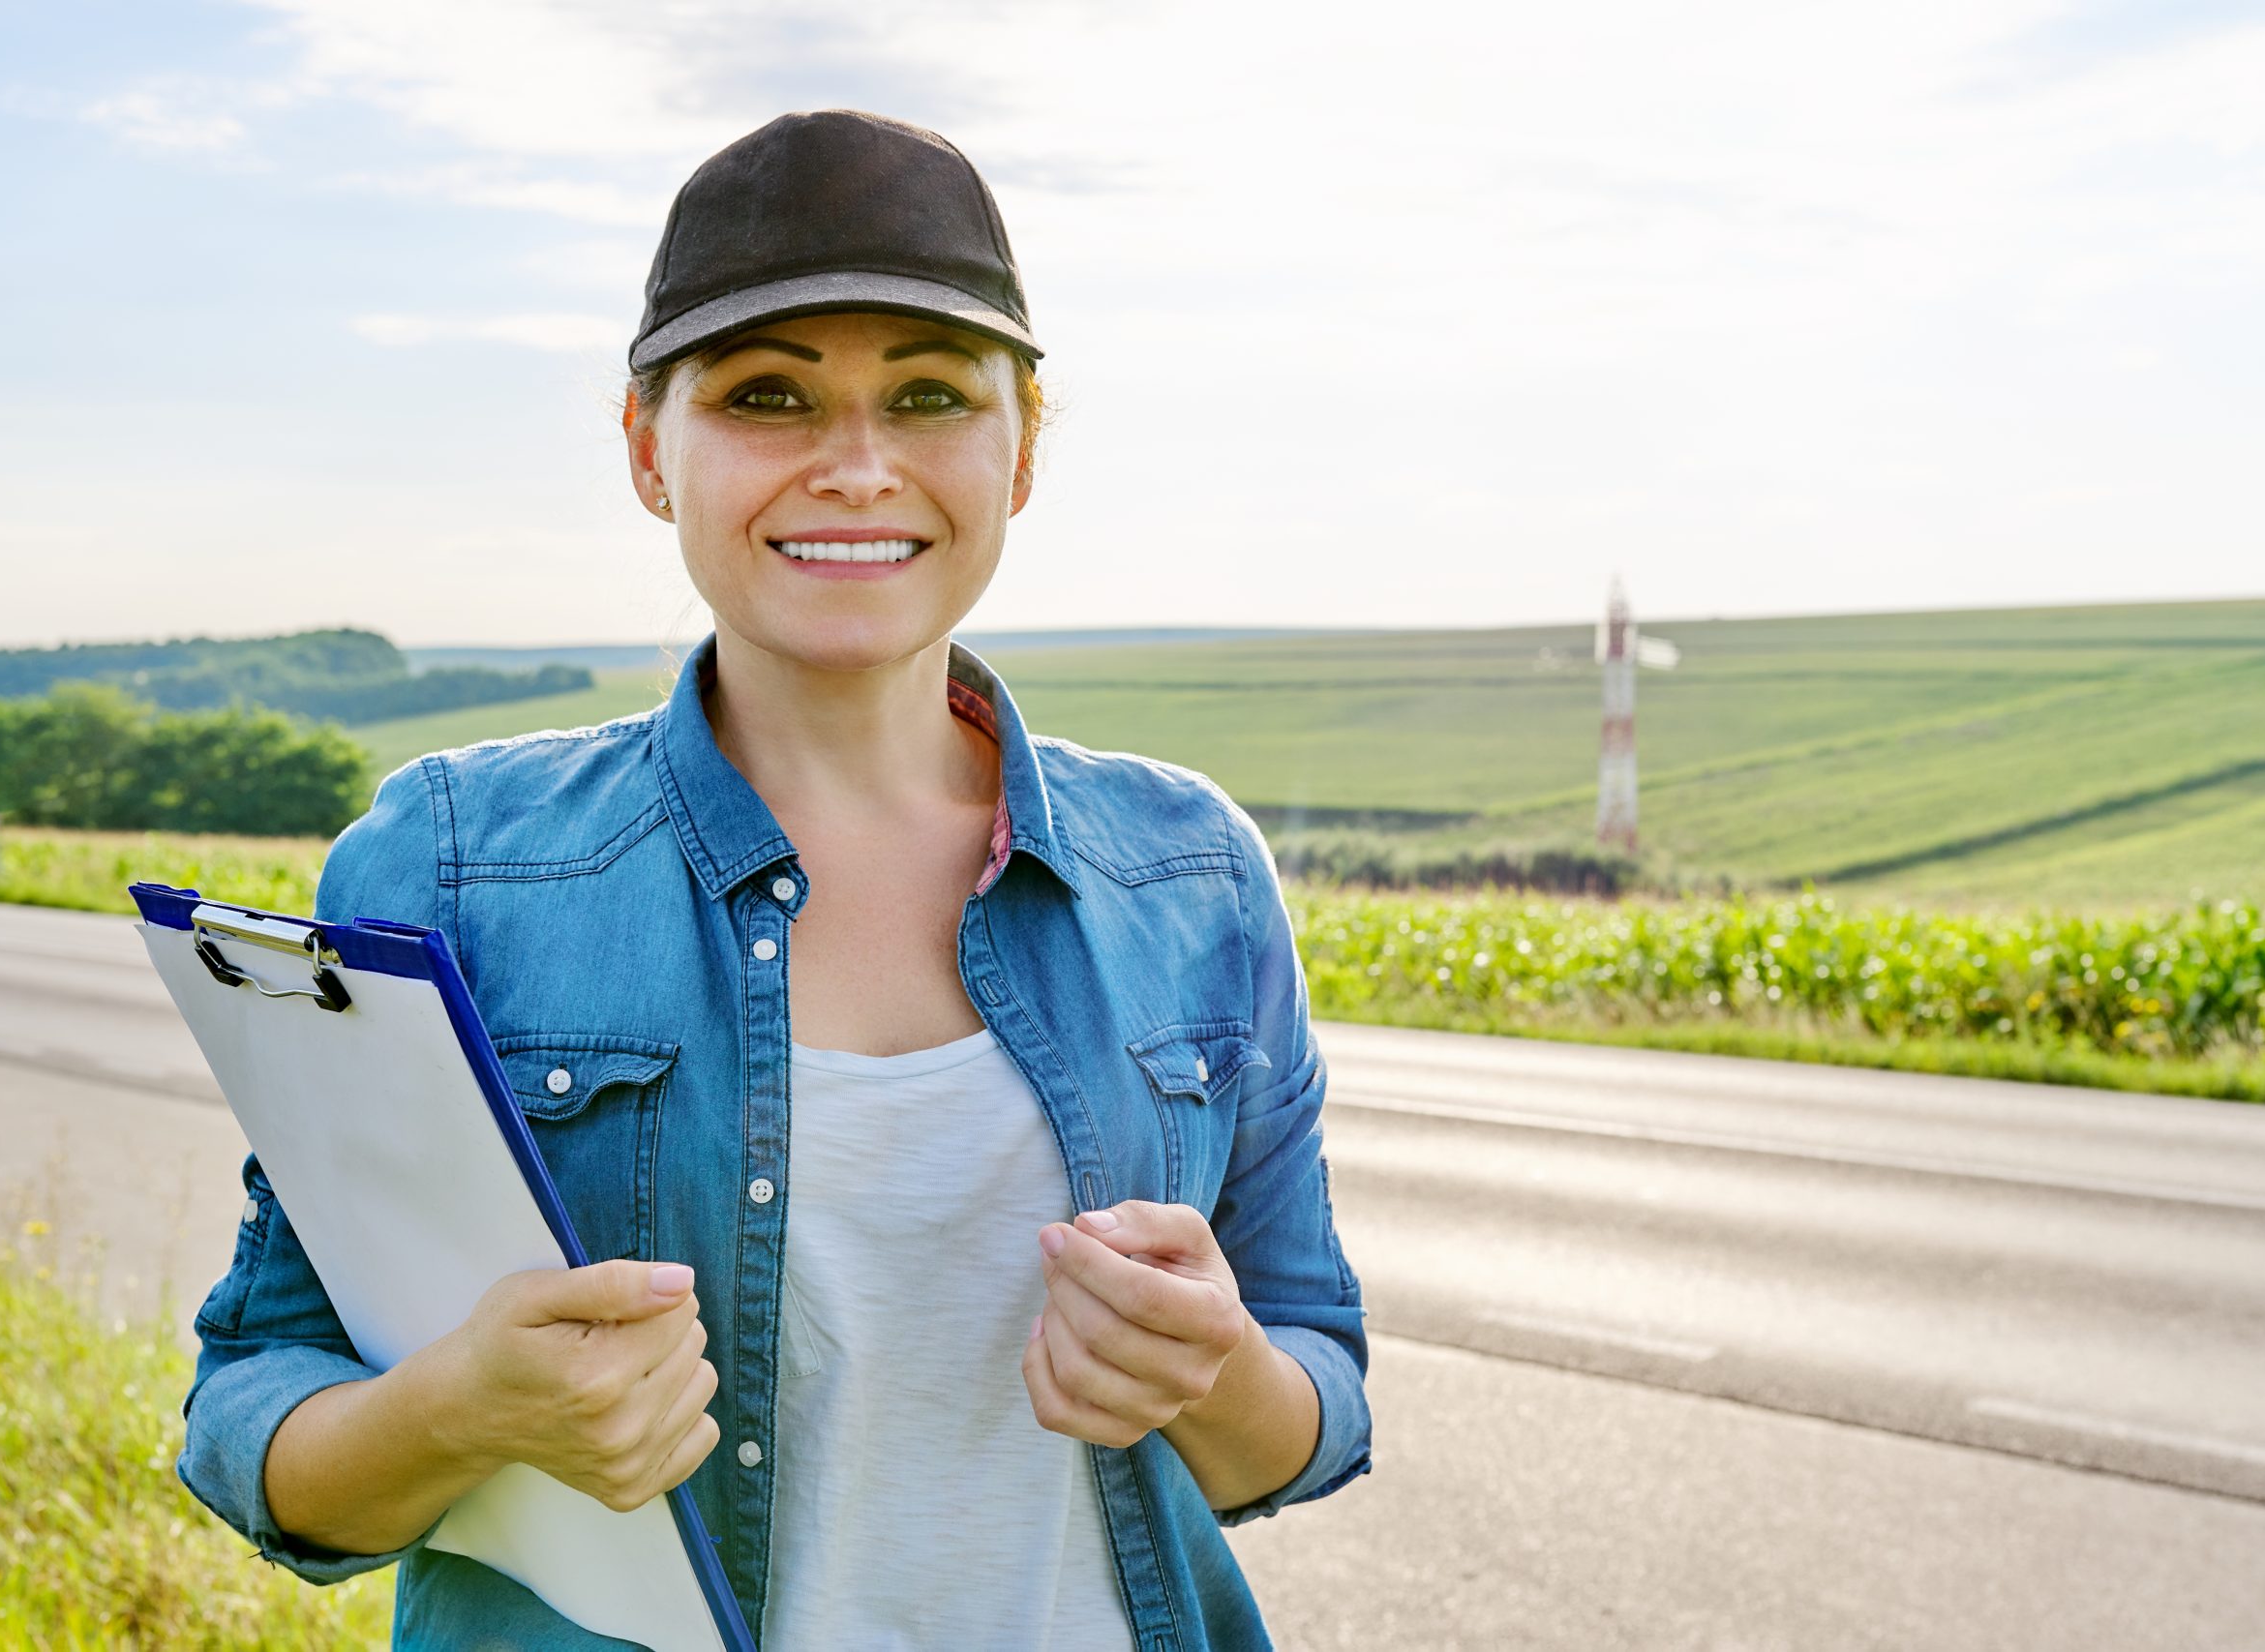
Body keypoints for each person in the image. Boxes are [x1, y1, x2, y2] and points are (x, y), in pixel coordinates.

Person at [173, 108, 1373, 1650]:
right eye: (768, 397)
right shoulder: (450, 863)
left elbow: (1315, 1401)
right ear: (645, 451)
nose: (858, 469)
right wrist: (460, 1411)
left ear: (1022, 451)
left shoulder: (1194, 873)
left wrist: (1223, 1378)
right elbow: (256, 1416)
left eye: (929, 396)